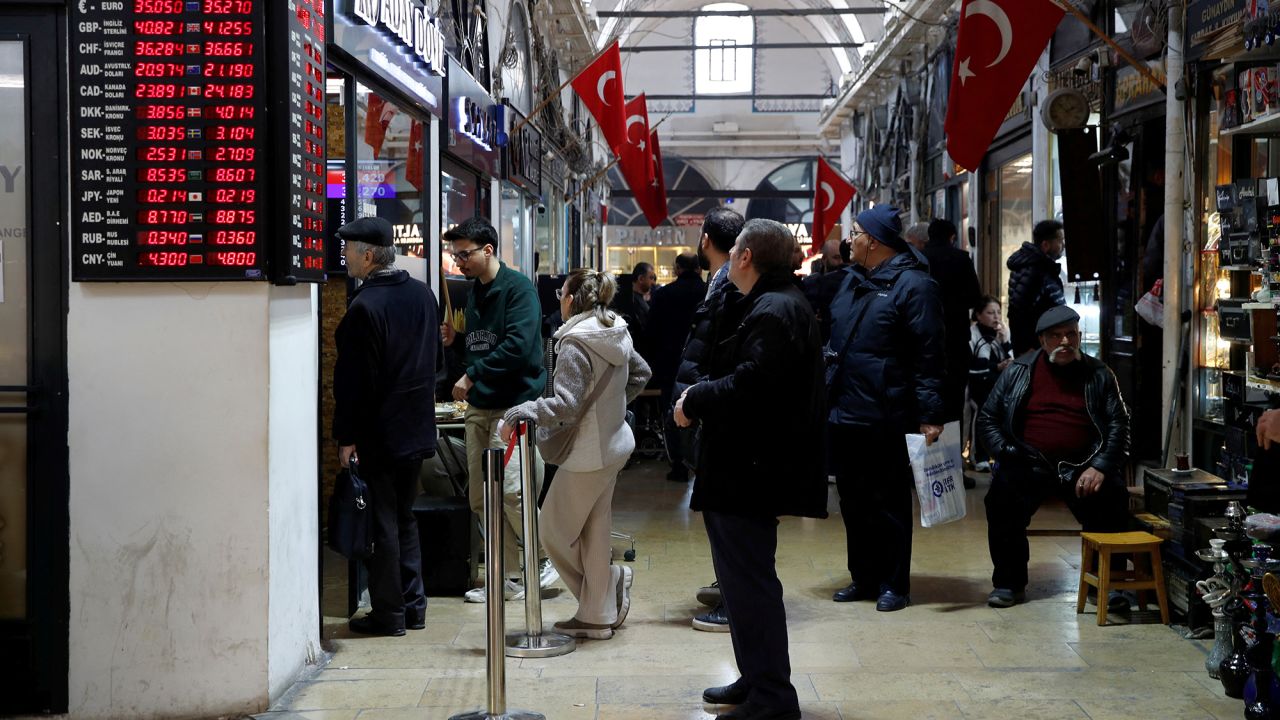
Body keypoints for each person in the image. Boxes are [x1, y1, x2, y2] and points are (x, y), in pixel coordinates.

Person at [674, 218, 826, 720]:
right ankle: (755, 679)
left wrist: (694, 398)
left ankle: (773, 698)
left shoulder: (776, 308)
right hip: (745, 465)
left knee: (752, 585)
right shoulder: (766, 302)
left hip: (751, 468)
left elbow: (752, 385)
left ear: (745, 257)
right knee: (740, 586)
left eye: (734, 249)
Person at [501, 269, 651, 639]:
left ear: (571, 299)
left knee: (551, 530)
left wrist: (524, 410)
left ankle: (606, 586)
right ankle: (597, 613)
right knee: (595, 529)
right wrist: (610, 408)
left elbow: (566, 405)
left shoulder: (574, 342)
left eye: (561, 295)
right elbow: (641, 374)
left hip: (588, 453)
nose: (560, 302)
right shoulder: (616, 329)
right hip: (616, 443)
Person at [827, 205, 945, 612]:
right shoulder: (853, 281)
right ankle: (863, 576)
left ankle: (894, 583)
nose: (850, 240)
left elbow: (929, 355)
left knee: (888, 502)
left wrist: (930, 414)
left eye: (855, 233)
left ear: (873, 241)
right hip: (845, 409)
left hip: (887, 411)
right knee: (853, 500)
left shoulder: (915, 287)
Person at [978, 305, 1131, 609]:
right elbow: (988, 419)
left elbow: (1119, 426)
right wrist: (1007, 453)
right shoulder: (1019, 371)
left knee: (1111, 496)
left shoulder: (1099, 374)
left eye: (1070, 335)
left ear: (1079, 336)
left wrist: (1100, 466)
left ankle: (1109, 583)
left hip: (1082, 464)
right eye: (1056, 336)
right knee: (1001, 500)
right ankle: (1009, 583)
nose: (1064, 342)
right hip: (1029, 461)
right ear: (1042, 340)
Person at [439, 217, 558, 602]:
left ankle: (545, 558)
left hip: (512, 407)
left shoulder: (519, 289)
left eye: (464, 254)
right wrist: (457, 343)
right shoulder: (475, 292)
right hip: (480, 407)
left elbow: (519, 348)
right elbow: (483, 346)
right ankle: (506, 576)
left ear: (488, 250)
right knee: (480, 497)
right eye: (456, 255)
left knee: (512, 492)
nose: (459, 262)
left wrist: (471, 375)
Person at [332, 217, 439, 637]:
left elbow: (354, 384)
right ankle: (414, 608)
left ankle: (390, 615)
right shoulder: (423, 295)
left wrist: (346, 437)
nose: (345, 257)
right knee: (405, 517)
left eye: (349, 250)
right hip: (417, 427)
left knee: (383, 523)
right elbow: (437, 364)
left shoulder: (364, 307)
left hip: (380, 432)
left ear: (369, 255)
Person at [672, 206, 746, 633]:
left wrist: (695, 397)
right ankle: (728, 587)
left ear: (705, 239)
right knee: (720, 510)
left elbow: (719, 351)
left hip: (720, 410)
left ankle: (733, 601)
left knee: (728, 512)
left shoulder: (729, 287)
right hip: (712, 405)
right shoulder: (719, 282)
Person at [646, 253, 707, 482]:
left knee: (672, 414)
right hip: (702, 363)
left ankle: (679, 465)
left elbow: (651, 332)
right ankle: (701, 464)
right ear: (699, 269)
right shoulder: (708, 292)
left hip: (669, 363)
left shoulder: (664, 294)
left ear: (677, 268)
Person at [923, 219, 984, 427]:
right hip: (955, 339)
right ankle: (951, 455)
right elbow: (975, 297)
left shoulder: (918, 260)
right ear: (952, 237)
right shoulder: (961, 259)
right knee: (954, 400)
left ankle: (924, 455)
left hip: (923, 340)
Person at [1006, 220, 1067, 355]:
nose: (1063, 245)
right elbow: (1018, 312)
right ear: (1045, 245)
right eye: (1060, 240)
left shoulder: (1039, 267)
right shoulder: (1036, 271)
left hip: (1044, 343)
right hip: (1037, 346)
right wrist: (1026, 347)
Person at [968, 295, 1013, 471]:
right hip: (978, 385)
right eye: (990, 313)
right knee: (982, 410)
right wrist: (996, 367)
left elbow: (1011, 360)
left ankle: (999, 455)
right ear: (978, 315)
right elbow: (972, 369)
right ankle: (978, 457)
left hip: (999, 385)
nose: (996, 317)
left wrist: (1005, 341)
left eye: (998, 312)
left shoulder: (1003, 331)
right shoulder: (972, 334)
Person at [801, 237, 849, 343]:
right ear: (824, 259)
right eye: (836, 258)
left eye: (842, 258)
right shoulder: (810, 283)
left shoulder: (850, 281)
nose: (841, 262)